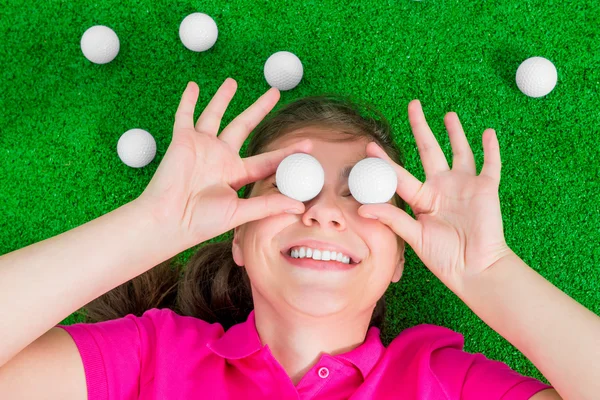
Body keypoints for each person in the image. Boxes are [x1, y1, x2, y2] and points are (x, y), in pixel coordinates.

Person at [0, 78, 597, 399]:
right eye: (294, 184)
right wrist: (147, 228)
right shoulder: (149, 358)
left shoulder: (441, 383)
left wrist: (490, 273)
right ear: (236, 238)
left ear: (398, 260)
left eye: (362, 194)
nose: (325, 213)